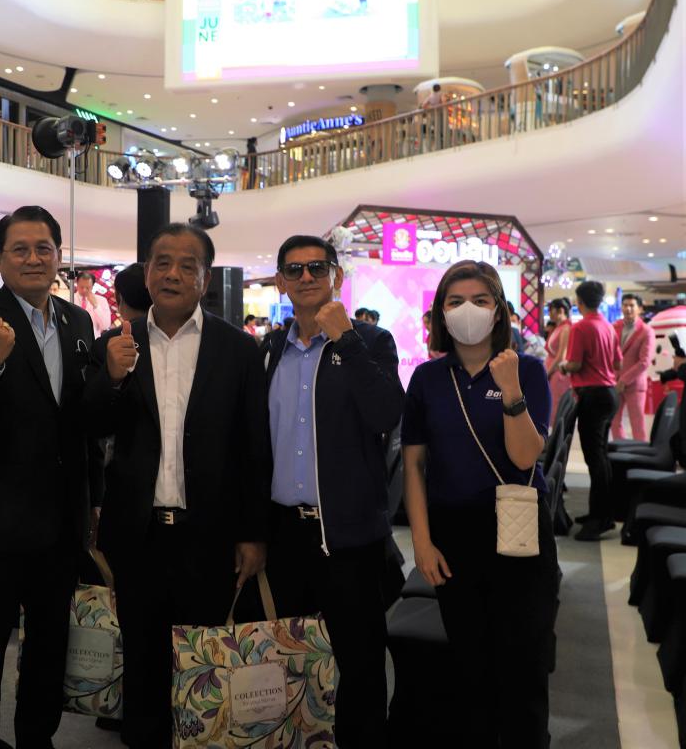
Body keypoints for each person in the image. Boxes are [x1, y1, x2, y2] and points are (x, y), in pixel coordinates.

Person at [84, 223, 272, 749]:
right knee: (142, 661)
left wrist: (254, 532)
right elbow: (90, 425)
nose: (173, 274)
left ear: (205, 279)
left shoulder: (238, 349)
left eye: (188, 265)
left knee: (205, 663)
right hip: (138, 534)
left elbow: (254, 448)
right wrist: (111, 378)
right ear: (146, 272)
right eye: (162, 262)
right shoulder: (115, 344)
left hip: (209, 535)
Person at [0, 206, 98, 749]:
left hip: (60, 521)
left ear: (59, 256)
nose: (33, 258)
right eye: (20, 249)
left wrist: (93, 501)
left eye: (44, 248)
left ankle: (36, 738)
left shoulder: (78, 322)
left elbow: (79, 423)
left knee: (49, 645)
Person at [402, 260, 557, 749]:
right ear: (440, 313)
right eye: (455, 301)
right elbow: (414, 466)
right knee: (470, 664)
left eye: (480, 300)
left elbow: (525, 455)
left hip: (520, 530)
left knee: (525, 662)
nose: (467, 309)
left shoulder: (527, 370)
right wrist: (421, 543)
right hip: (454, 533)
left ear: (498, 310)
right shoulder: (427, 378)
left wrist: (510, 389)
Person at [262, 235, 404, 747]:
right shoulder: (270, 350)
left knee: (360, 663)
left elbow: (386, 414)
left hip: (347, 535)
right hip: (283, 534)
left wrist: (345, 339)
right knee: (284, 659)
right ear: (280, 282)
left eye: (317, 268)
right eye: (294, 269)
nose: (306, 277)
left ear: (336, 276)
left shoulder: (371, 341)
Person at [560, 280, 621, 540]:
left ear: (580, 301)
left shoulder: (582, 327)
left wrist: (563, 366)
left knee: (595, 460)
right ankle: (602, 513)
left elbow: (574, 363)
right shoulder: (608, 326)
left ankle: (600, 519)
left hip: (593, 396)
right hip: (608, 394)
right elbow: (617, 363)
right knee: (600, 457)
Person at [611, 294, 656, 442]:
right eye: (625, 305)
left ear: (640, 309)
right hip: (614, 382)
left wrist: (624, 380)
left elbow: (645, 361)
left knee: (637, 424)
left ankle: (640, 453)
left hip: (634, 384)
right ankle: (620, 450)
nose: (628, 309)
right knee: (614, 421)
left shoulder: (646, 331)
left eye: (632, 305)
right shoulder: (614, 327)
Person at [545, 297, 572, 426]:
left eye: (551, 310)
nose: (549, 314)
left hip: (558, 374)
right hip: (554, 372)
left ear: (560, 310)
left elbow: (561, 356)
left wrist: (548, 372)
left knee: (557, 407)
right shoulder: (559, 327)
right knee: (553, 406)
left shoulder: (566, 328)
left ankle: (558, 435)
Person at [75, 270, 112, 337]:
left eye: (87, 287)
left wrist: (96, 306)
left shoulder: (102, 300)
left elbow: (105, 326)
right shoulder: (69, 299)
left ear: (92, 286)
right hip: (74, 338)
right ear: (77, 284)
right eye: (81, 287)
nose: (84, 290)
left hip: (94, 339)